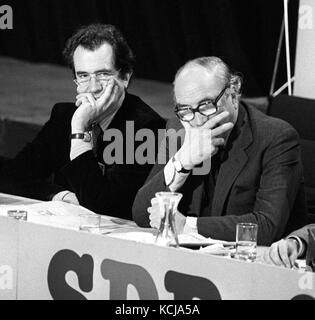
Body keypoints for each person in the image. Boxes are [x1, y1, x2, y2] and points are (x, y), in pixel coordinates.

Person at [132, 56, 307, 245]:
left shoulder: (275, 137)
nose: (198, 121)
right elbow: (142, 214)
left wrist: (187, 225)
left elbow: (266, 227)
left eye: (206, 106)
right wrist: (182, 162)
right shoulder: (179, 129)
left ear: (233, 93)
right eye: (185, 110)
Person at [0, 24, 165, 220]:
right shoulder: (64, 116)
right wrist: (61, 196)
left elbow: (106, 207)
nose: (93, 87)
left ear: (125, 77)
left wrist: (79, 131)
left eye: (103, 74)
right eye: (83, 76)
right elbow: (13, 176)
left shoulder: (146, 128)